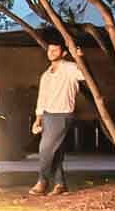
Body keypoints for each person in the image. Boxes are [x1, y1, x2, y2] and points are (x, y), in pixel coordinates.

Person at [29, 41, 86, 196]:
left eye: (55, 50)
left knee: (45, 149)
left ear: (64, 53)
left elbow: (84, 75)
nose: (51, 52)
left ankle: (42, 181)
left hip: (62, 114)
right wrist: (38, 117)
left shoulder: (70, 68)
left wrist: (80, 58)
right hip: (47, 115)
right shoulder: (46, 74)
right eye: (50, 50)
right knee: (55, 152)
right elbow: (42, 97)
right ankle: (60, 184)